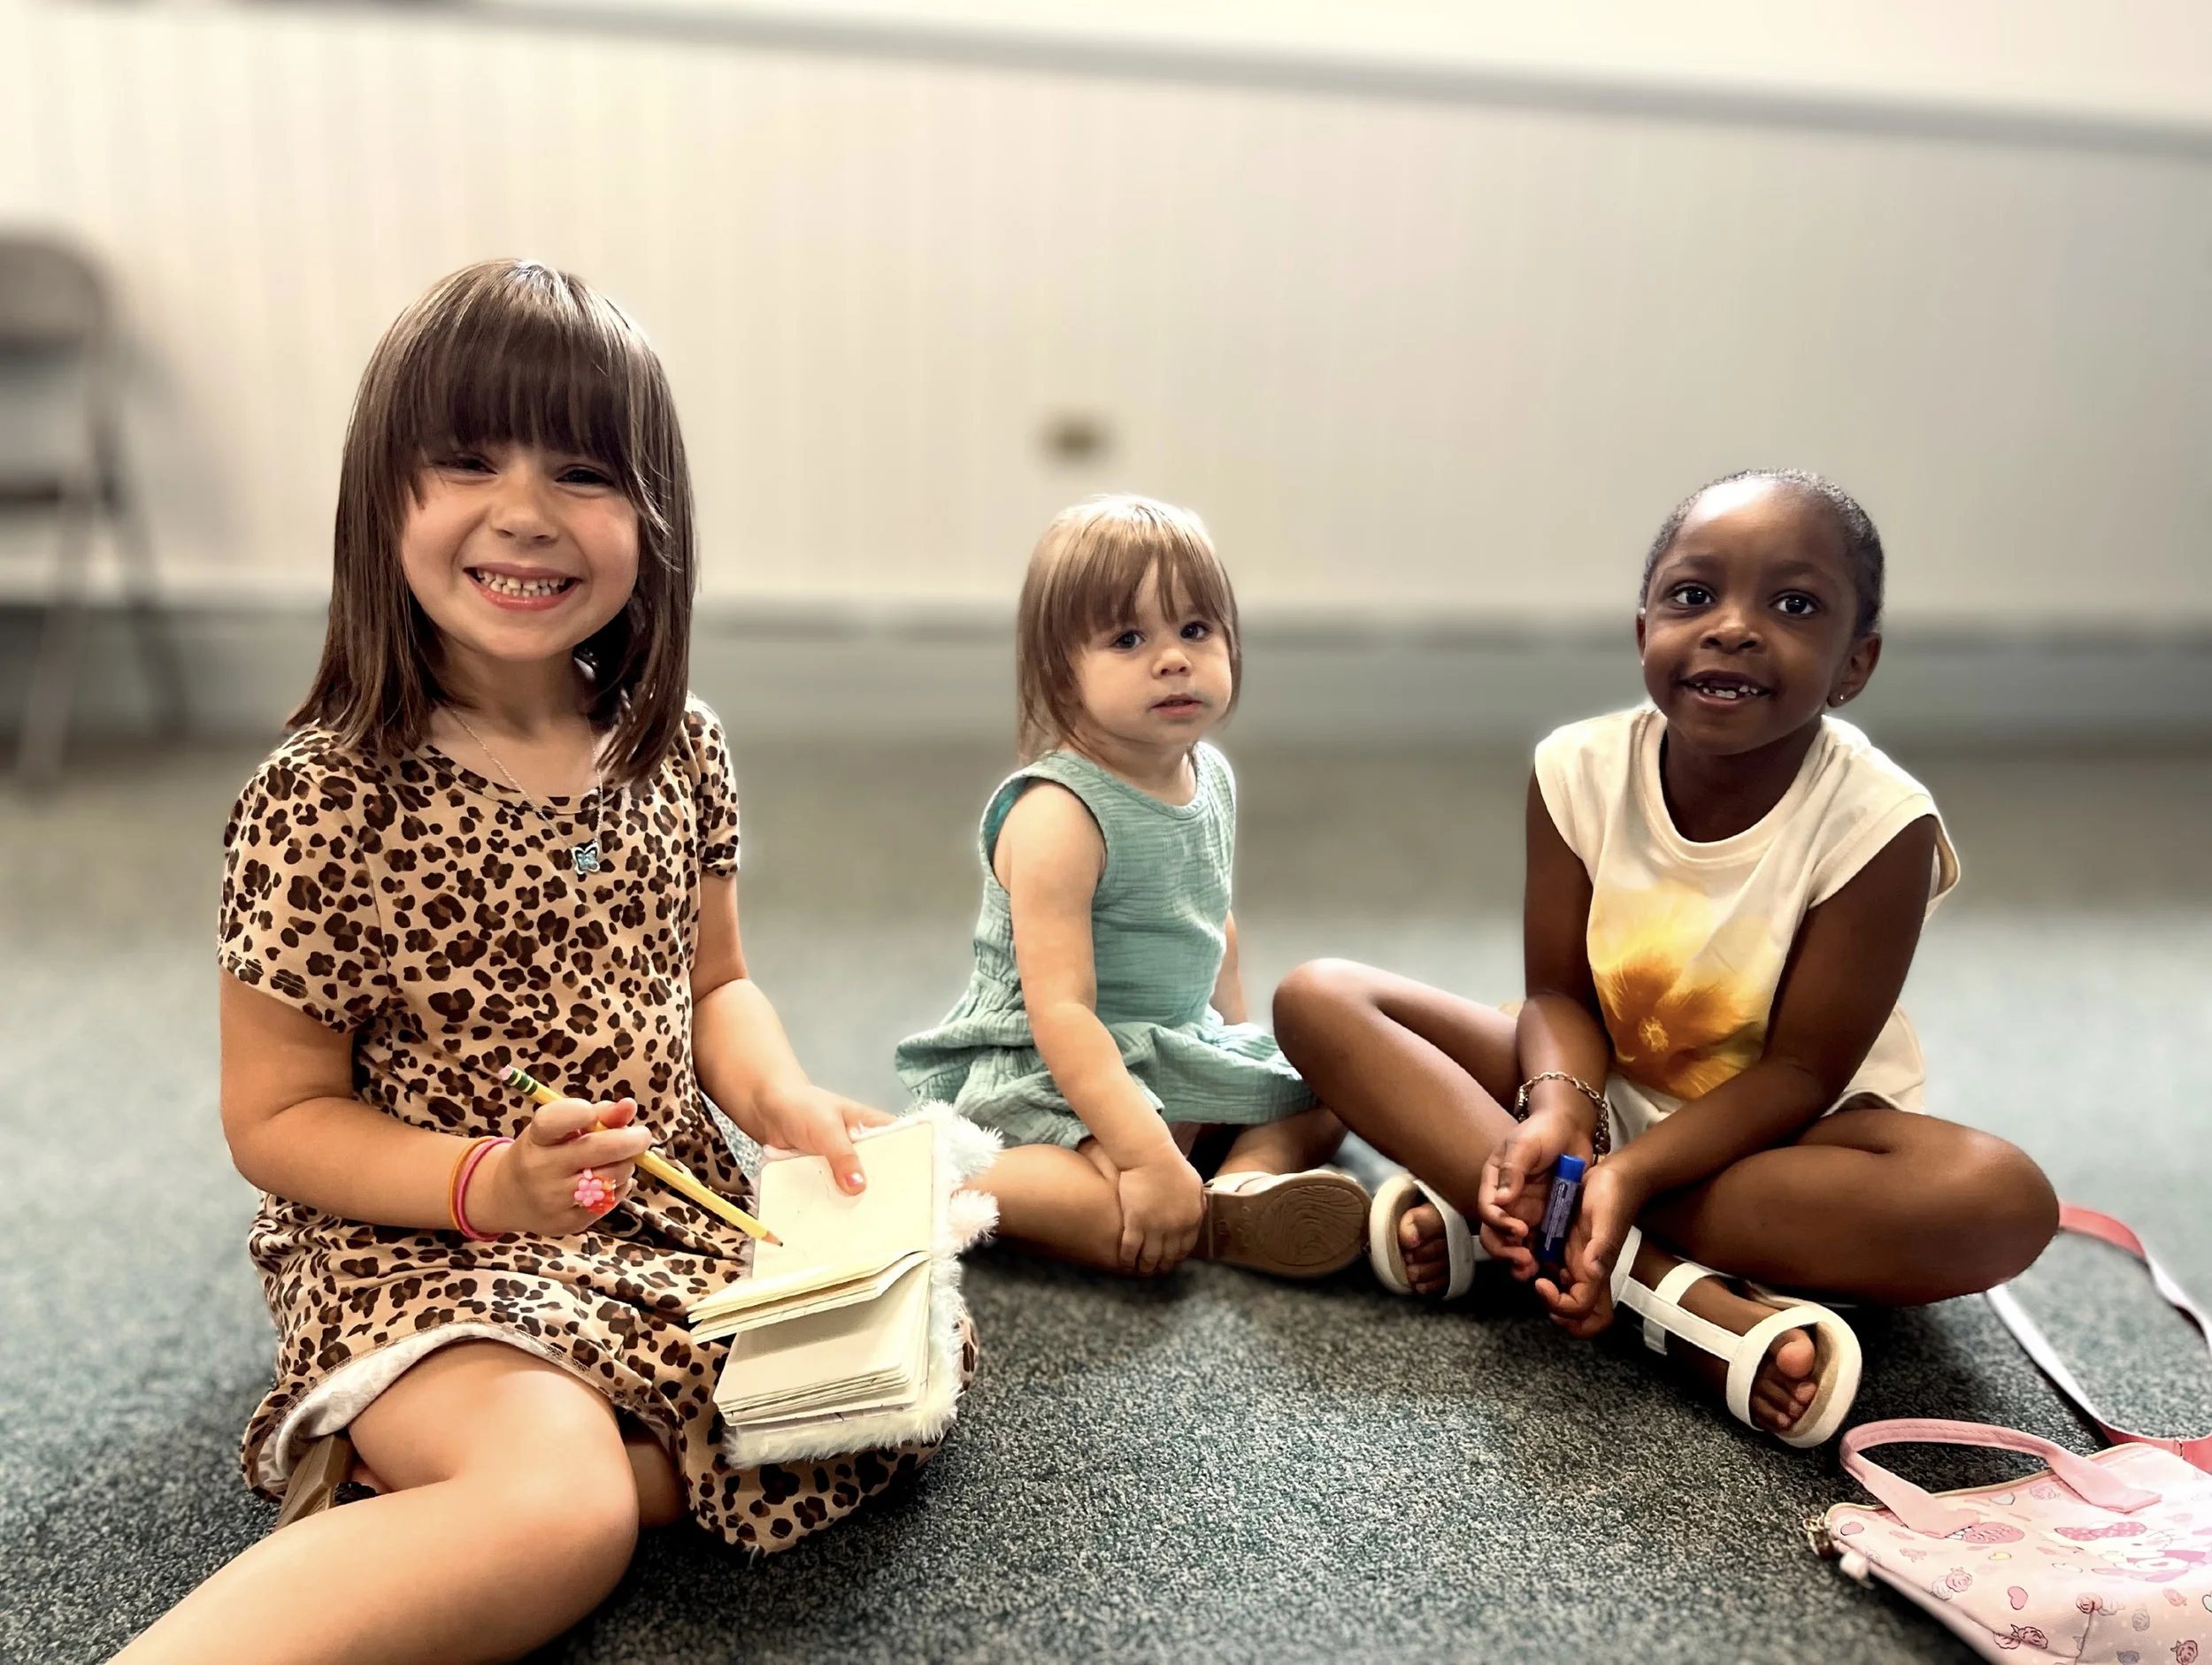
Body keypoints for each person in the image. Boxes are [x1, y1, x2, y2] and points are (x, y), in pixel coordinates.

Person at [123, 260, 965, 1665]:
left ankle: (424, 1479)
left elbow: (715, 986)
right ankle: (462, 1472)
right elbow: (275, 1116)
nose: (523, 510)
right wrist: (488, 1185)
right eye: (467, 461)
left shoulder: (676, 745)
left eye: (582, 471)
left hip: (659, 1213)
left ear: (655, 519)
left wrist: (782, 1101)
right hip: (423, 1240)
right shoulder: (321, 800)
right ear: (380, 499)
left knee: (886, 1377)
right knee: (562, 1514)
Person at [1273, 469, 2058, 1446]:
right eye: (1693, 595)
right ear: (1643, 628)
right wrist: (1558, 1110)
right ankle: (1665, 1295)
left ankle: (1522, 1214)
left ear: (1854, 664)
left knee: (2000, 1199)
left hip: (1776, 1142)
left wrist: (1630, 1173)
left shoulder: (1880, 824)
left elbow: (1801, 1072)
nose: (1732, 627)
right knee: (1319, 996)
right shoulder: (1576, 767)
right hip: (1598, 1090)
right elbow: (1557, 994)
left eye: (1793, 605)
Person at [897, 495, 1368, 1279]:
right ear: (1060, 673)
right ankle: (934, 1174)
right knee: (1107, 1208)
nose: (1174, 659)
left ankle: (1238, 1190)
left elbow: (1213, 927)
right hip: (1053, 1070)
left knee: (1337, 1082)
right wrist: (1145, 1154)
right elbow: (1062, 1014)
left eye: (1196, 629)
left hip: (1166, 1044)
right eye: (1128, 639)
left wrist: (1236, 1062)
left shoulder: (1209, 776)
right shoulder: (1059, 816)